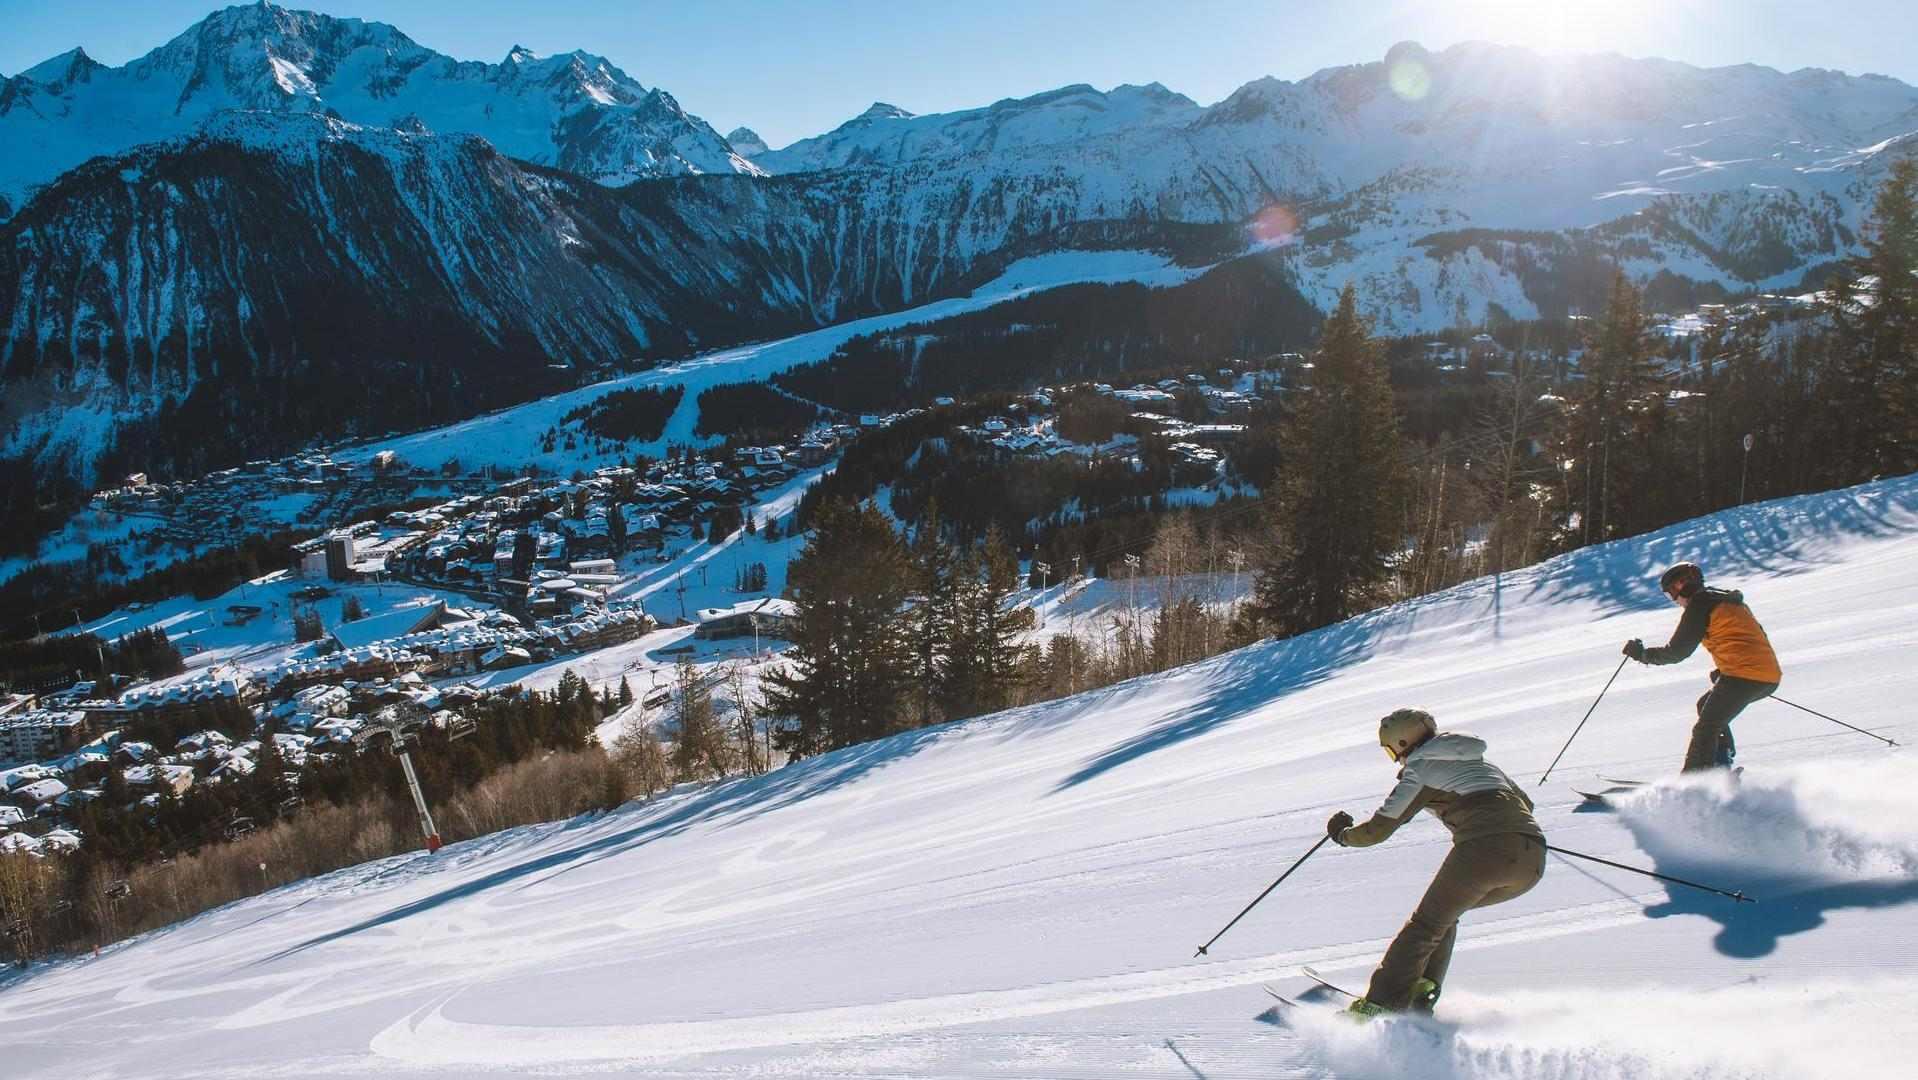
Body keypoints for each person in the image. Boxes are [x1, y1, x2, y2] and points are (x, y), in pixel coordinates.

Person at [1326, 708, 1545, 1017]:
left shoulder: (1421, 769)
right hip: (1532, 859)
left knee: (1425, 925)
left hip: (1485, 851)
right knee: (1443, 917)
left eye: (1391, 750)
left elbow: (1379, 829)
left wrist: (1343, 835)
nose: (1395, 757)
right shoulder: (1481, 762)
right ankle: (1419, 987)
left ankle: (1378, 1007)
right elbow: (1527, 804)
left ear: (1402, 743)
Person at [1623, 562, 1781, 772]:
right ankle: (1719, 765)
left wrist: (1642, 655)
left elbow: (1677, 652)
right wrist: (1727, 671)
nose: (1675, 600)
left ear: (1682, 585)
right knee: (1706, 706)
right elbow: (1750, 638)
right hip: (1767, 677)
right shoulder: (1726, 600)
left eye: (1671, 593)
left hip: (1743, 676)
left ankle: (1696, 783)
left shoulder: (1701, 603)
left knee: (1706, 727)